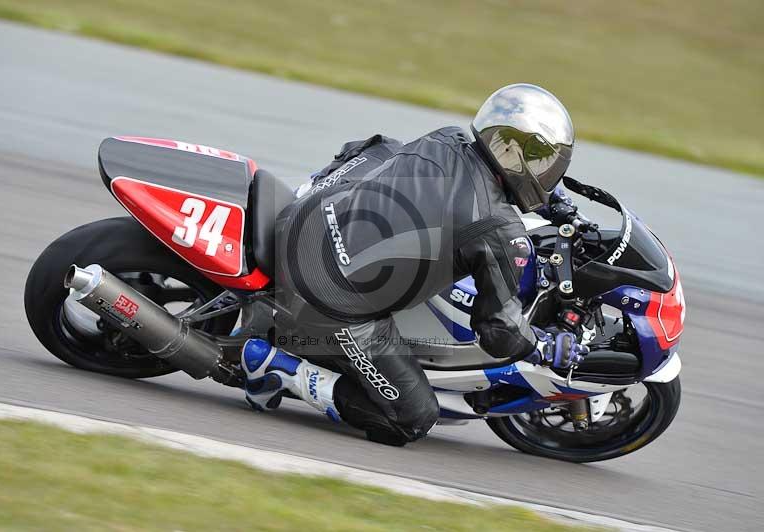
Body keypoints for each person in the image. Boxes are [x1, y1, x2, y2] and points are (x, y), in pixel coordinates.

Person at [240, 83, 589, 446]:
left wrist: (549, 202)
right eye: (543, 164)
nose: (548, 173)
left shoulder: (446, 139)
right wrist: (544, 348)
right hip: (327, 300)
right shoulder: (500, 231)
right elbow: (499, 331)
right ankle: (278, 370)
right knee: (414, 417)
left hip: (302, 221)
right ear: (515, 157)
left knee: (386, 149)